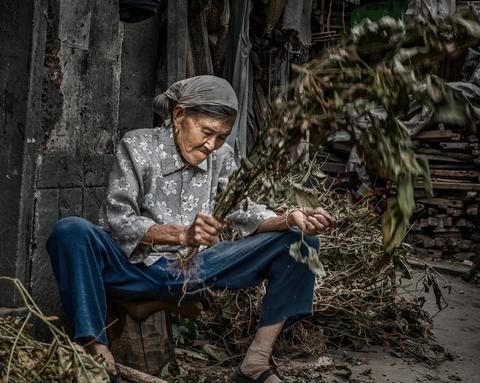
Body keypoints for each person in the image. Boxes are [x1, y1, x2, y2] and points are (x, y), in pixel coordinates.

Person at [47, 75, 335, 383]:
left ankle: (256, 362)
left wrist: (290, 218)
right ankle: (97, 354)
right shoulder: (139, 144)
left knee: (301, 242)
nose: (212, 145)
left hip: (197, 270)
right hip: (132, 268)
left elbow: (242, 211)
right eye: (207, 132)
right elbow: (120, 219)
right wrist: (182, 234)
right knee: (70, 231)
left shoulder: (221, 157)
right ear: (179, 114)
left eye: (221, 137)